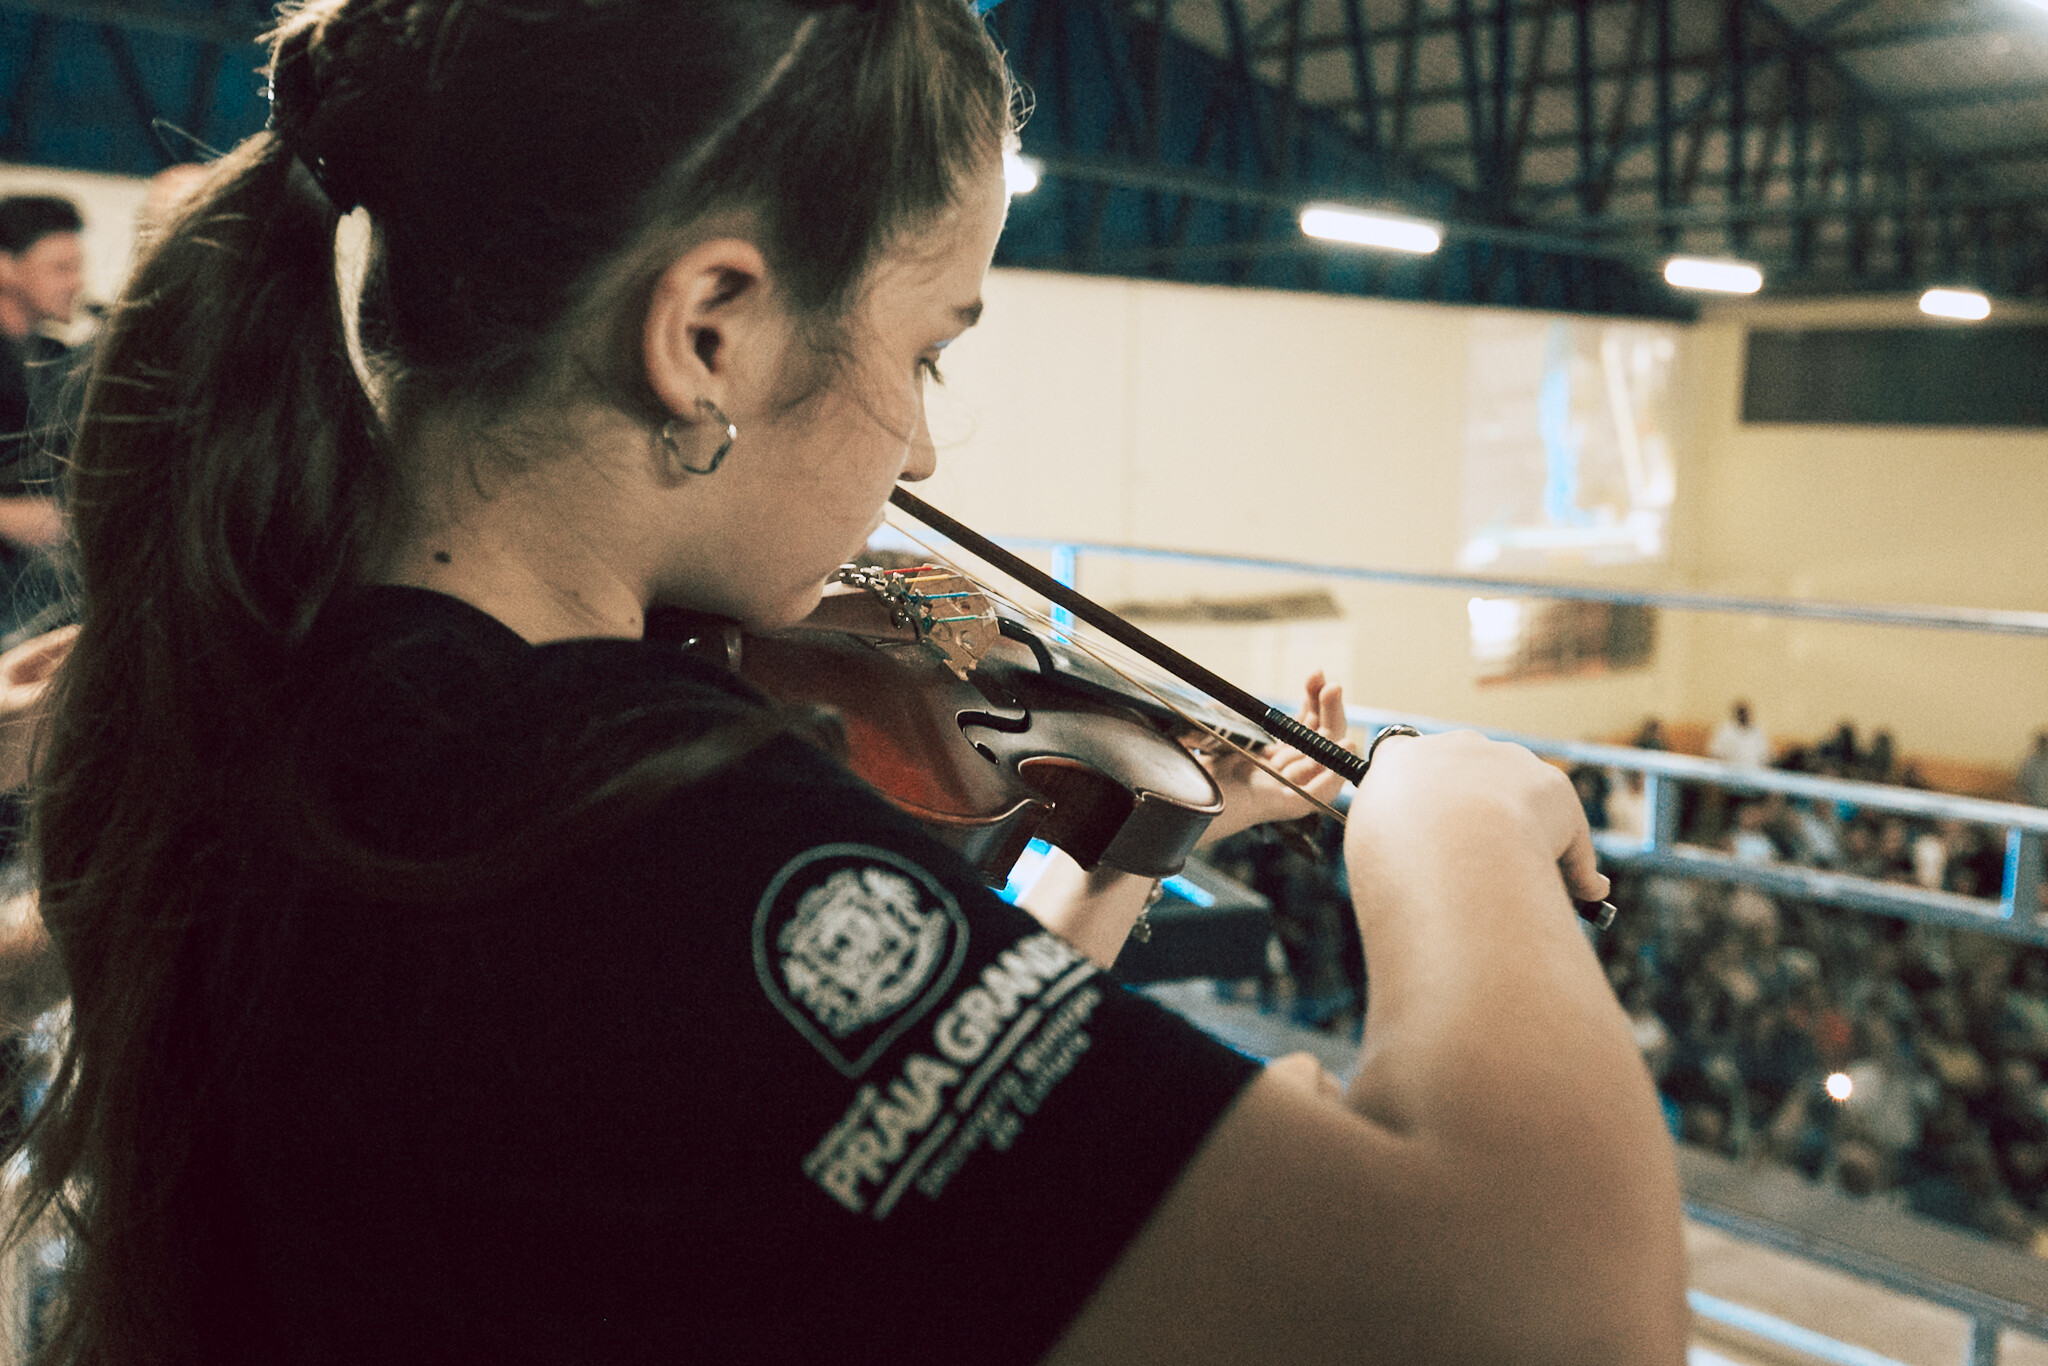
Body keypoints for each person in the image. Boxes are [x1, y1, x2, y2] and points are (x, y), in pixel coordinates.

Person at [17, 2, 1686, 1363]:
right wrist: (1454, 823)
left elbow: (807, 1111)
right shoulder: (592, 806)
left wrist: (1131, 832)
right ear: (710, 332)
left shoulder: (320, 689)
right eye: (926, 349)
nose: (924, 445)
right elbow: (1544, 1315)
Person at [0, 195, 80, 645]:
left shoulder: (55, 356)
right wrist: (11, 517)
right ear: (6, 268)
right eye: (60, 268)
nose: (77, 283)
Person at [1709, 700, 1771, 770]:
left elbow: (1765, 757)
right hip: (1730, 772)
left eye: (1746, 713)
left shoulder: (1757, 733)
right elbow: (1715, 754)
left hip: (1754, 772)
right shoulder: (1726, 731)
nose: (1744, 716)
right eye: (1741, 713)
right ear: (1736, 714)